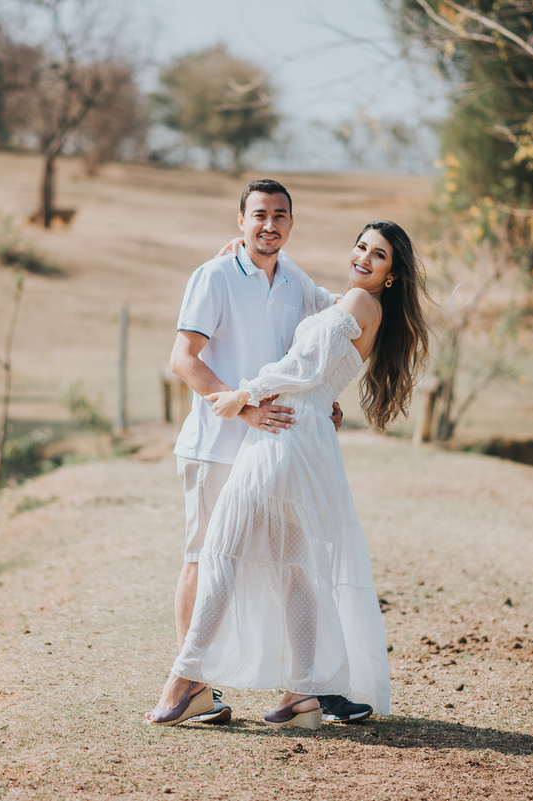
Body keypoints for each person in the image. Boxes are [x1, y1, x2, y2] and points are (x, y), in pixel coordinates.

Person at [148, 220, 431, 728]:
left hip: (284, 437)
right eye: (361, 246)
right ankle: (301, 694)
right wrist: (256, 254)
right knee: (295, 566)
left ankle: (186, 679)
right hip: (306, 436)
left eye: (379, 255)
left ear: (392, 274)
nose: (364, 258)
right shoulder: (349, 302)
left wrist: (244, 393)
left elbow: (302, 366)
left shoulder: (361, 306)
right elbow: (309, 303)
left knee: (224, 552)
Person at [168, 179, 370, 725]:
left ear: (290, 223)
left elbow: (335, 330)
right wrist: (242, 408)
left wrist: (320, 397)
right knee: (204, 560)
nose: (269, 224)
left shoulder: (296, 280)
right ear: (241, 221)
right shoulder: (213, 276)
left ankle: (305, 688)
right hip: (216, 446)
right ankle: (194, 689)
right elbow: (184, 359)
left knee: (293, 566)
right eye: (259, 215)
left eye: (280, 215)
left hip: (274, 452)